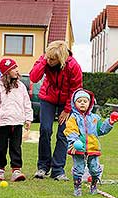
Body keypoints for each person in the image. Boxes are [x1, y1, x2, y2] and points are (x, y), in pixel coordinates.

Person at [29, 40, 83, 181]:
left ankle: (58, 170)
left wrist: (66, 110)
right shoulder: (45, 60)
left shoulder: (73, 66)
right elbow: (34, 77)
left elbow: (76, 90)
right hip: (48, 98)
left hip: (67, 102)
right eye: (49, 58)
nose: (50, 61)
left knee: (63, 134)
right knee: (45, 130)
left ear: (61, 59)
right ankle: (42, 167)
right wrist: (43, 62)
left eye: (53, 59)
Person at [64, 89, 118, 196]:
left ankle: (94, 185)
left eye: (85, 101)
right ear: (74, 103)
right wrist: (75, 141)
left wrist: (109, 122)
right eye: (79, 101)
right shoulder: (73, 118)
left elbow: (101, 130)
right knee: (78, 168)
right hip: (78, 148)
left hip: (93, 148)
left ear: (90, 103)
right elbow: (70, 130)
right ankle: (77, 187)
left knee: (95, 169)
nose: (82, 103)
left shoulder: (95, 118)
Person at [0, 58, 33, 182]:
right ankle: (0, 169)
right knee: (1, 147)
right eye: (13, 68)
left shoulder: (21, 86)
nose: (16, 70)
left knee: (16, 147)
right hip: (3, 123)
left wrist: (28, 118)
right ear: (6, 72)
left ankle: (16, 170)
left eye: (16, 67)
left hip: (17, 122)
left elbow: (26, 103)